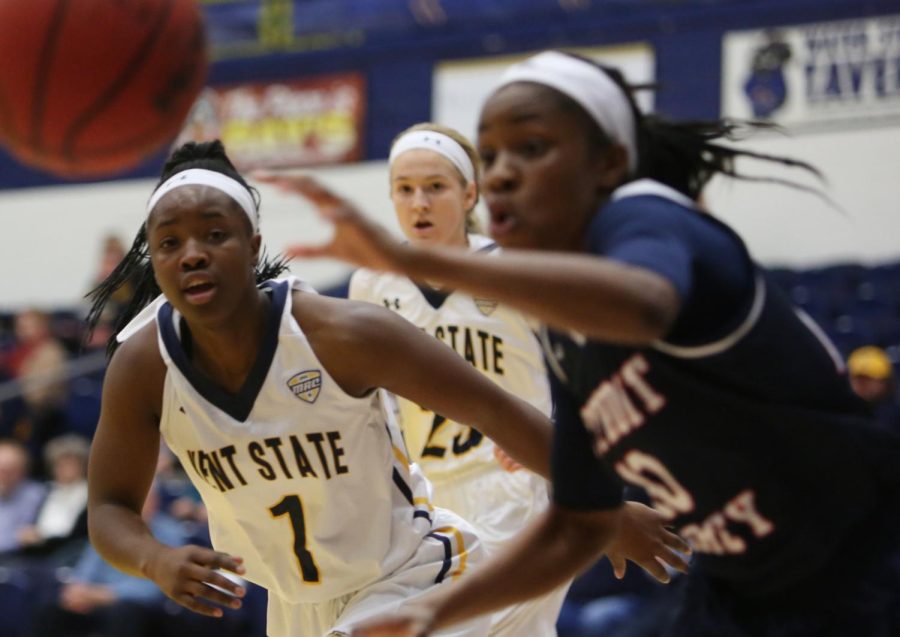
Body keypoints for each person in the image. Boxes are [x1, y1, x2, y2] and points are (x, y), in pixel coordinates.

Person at [259, 51, 900, 636]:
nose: (506, 172)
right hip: (746, 584)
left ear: (608, 163)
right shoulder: (567, 334)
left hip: (863, 552)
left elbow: (645, 304)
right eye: (493, 154)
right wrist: (430, 612)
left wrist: (428, 261)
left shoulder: (647, 216)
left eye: (531, 148)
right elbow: (577, 524)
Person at [84, 140, 682, 637]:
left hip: (409, 569)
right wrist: (154, 558)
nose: (191, 255)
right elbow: (109, 506)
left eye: (214, 235)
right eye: (169, 244)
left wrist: (602, 509)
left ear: (253, 246)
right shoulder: (143, 366)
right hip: (295, 607)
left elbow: (494, 408)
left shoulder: (343, 334)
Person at [349, 122, 568, 637]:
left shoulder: (516, 268)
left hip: (511, 485)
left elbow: (587, 367)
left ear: (470, 193)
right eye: (404, 189)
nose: (418, 202)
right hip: (417, 500)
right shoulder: (371, 282)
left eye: (435, 187)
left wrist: (557, 430)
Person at [0, 438, 46, 555]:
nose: (4, 476)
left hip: (19, 560)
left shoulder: (37, 494)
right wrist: (15, 538)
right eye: (2, 470)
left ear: (24, 471)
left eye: (12, 471)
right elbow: (19, 538)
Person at [847, 345, 900, 433]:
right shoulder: (843, 415)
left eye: (869, 380)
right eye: (859, 379)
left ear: (885, 382)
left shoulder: (894, 418)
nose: (863, 385)